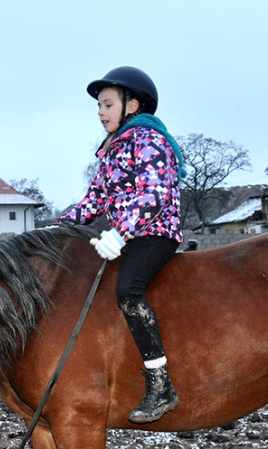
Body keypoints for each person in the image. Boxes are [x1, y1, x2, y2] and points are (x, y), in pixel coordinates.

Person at [60, 65, 186, 424]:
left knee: (128, 290)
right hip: (129, 235)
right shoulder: (112, 150)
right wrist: (56, 230)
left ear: (132, 105)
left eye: (107, 104)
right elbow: (94, 201)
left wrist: (120, 233)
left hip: (156, 232)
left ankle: (162, 385)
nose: (100, 112)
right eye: (99, 106)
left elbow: (155, 195)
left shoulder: (150, 140)